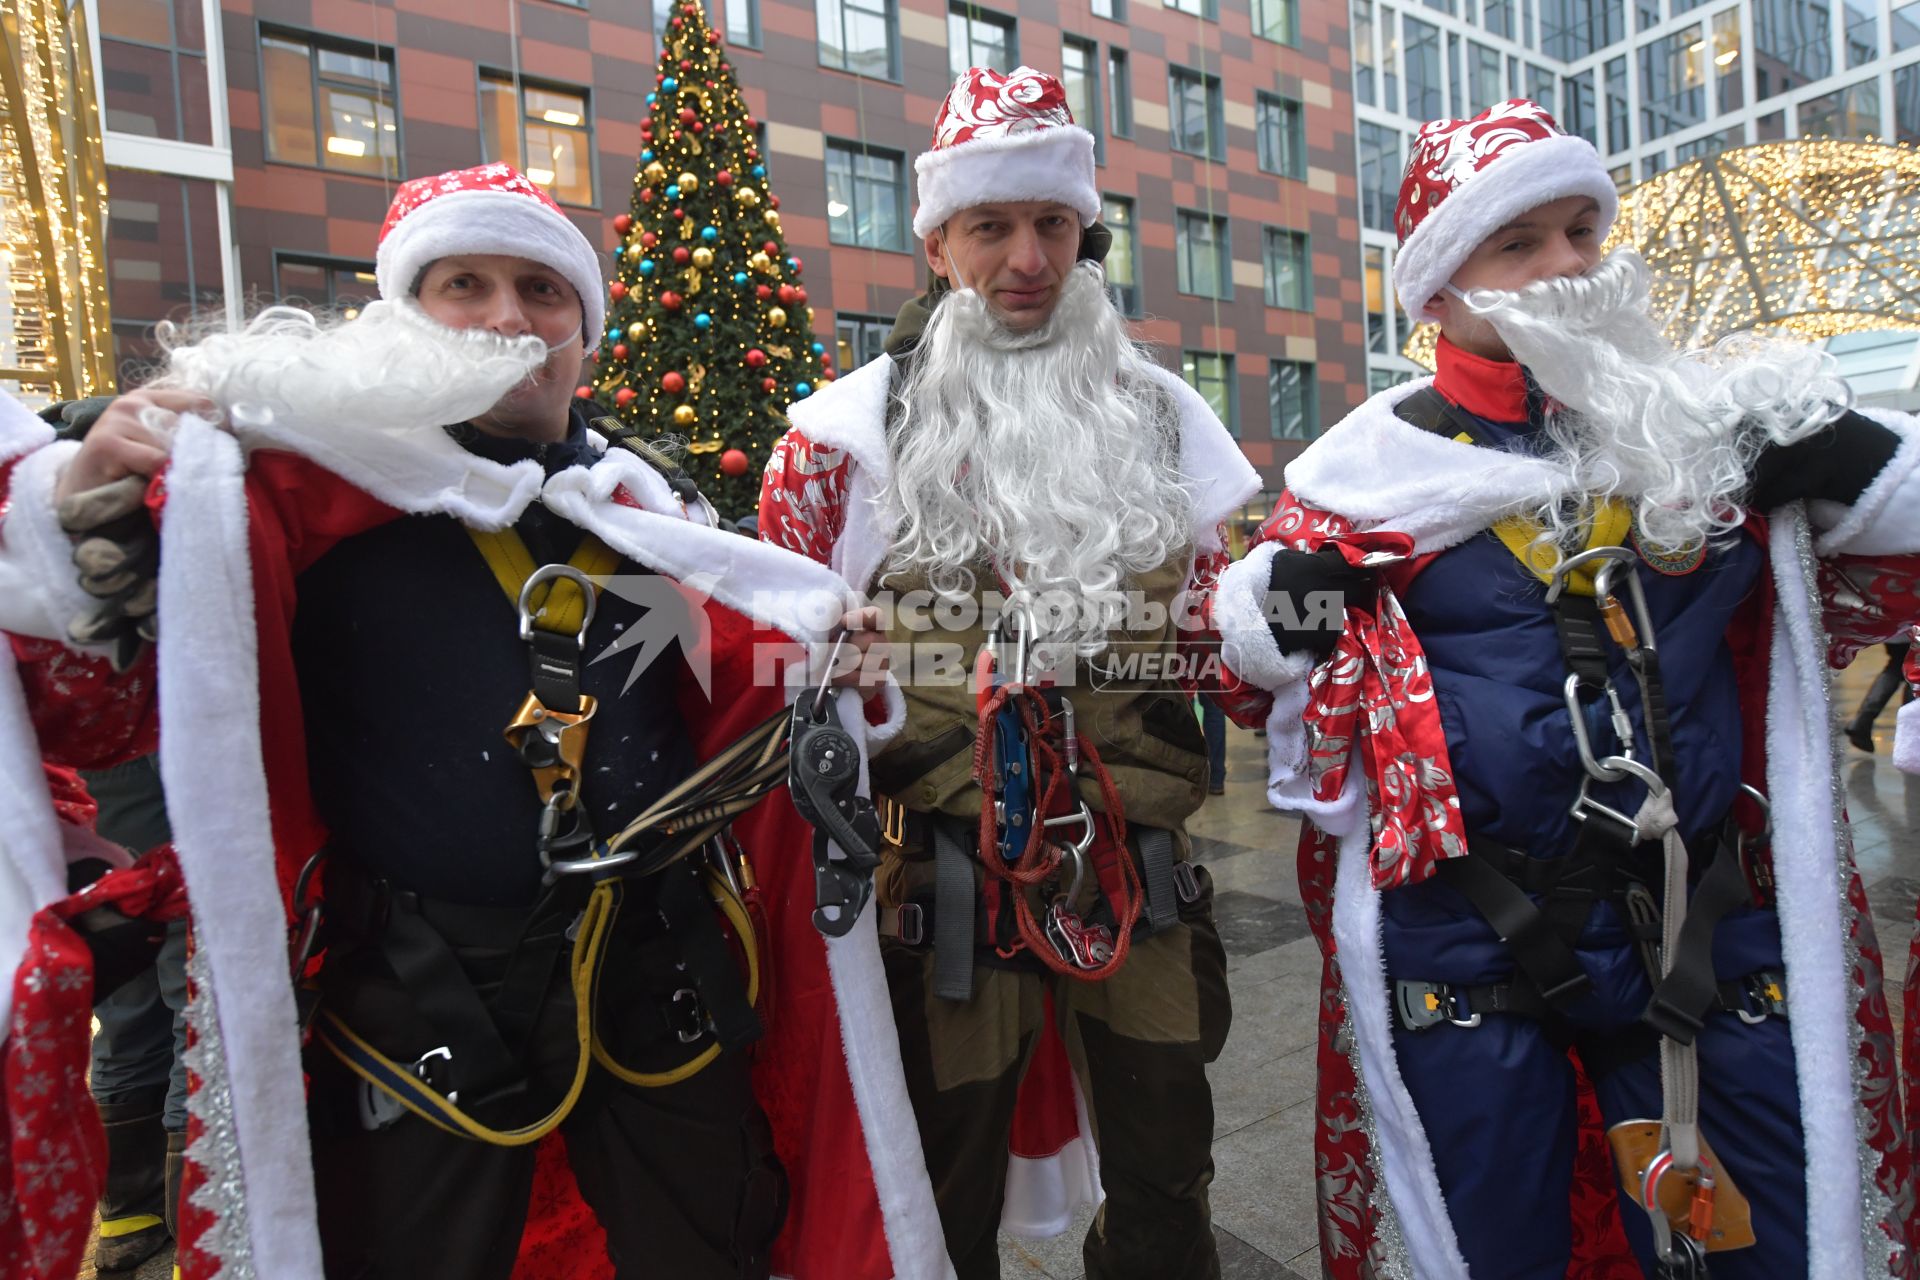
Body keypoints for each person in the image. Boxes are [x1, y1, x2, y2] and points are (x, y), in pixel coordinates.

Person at [0, 163, 905, 1280]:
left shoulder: (651, 512)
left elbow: (731, 667)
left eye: (542, 289)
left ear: (584, 328)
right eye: (463, 284)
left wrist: (832, 656)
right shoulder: (287, 504)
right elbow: (103, 695)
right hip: (414, 987)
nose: (508, 317)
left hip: (654, 965)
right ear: (403, 318)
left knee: (716, 1253)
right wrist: (99, 527)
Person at [1212, 100, 1920, 1277]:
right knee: (1497, 1251)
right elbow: (1251, 683)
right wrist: (1285, 605)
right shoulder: (1367, 477)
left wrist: (1855, 461)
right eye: (1520, 243)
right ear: (1439, 289)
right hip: (1471, 948)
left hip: (1712, 930)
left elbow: (1892, 571)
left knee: (1778, 1242)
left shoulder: (1707, 437)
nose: (1571, 266)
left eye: (1583, 228)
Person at [760, 65, 1288, 1280]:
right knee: (939, 1191)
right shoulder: (834, 439)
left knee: (1167, 1178)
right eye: (991, 226)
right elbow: (769, 660)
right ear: (938, 240)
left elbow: (1221, 633)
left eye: (1052, 224)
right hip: (938, 884)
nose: (1027, 258)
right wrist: (841, 670)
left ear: (1084, 234)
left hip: (1141, 877)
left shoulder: (1164, 421)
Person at [1846, 640, 1914, 752]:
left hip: (1897, 628)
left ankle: (1863, 720)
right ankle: (1910, 733)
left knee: (1898, 665)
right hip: (1912, 626)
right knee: (1913, 668)